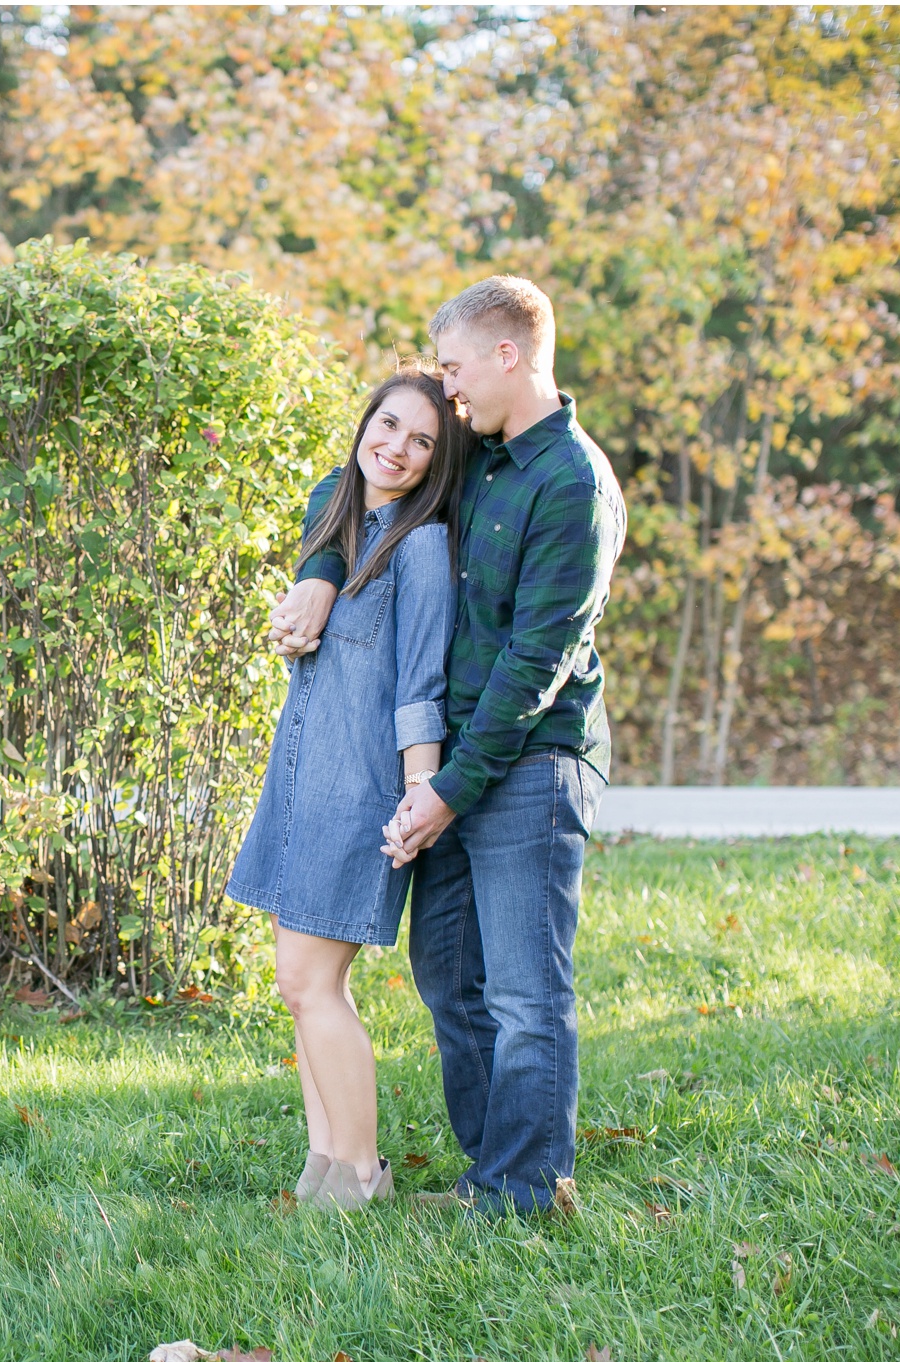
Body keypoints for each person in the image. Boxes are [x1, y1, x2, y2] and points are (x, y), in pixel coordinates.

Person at [270, 276, 626, 1217]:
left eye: (460, 369)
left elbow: (534, 663)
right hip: (457, 766)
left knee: (522, 994)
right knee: (449, 982)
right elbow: (362, 489)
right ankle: (490, 1177)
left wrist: (445, 789)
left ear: (509, 355)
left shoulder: (571, 483)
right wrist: (318, 570)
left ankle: (529, 1191)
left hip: (527, 763)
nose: (449, 390)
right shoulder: (484, 458)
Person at [226, 360, 465, 1212]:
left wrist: (418, 792)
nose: (397, 447)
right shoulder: (337, 520)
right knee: (302, 986)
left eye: (422, 441)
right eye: (389, 424)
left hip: (359, 794)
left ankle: (360, 1173)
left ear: (438, 464)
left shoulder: (423, 548)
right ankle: (322, 1162)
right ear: (365, 421)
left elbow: (419, 687)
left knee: (311, 981)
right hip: (299, 780)